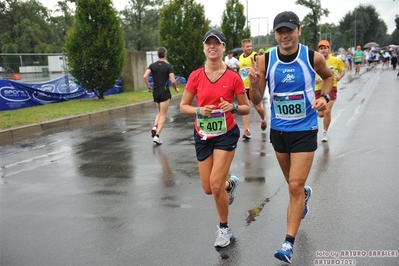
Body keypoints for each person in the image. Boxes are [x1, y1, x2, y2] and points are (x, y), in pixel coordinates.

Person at [247, 11, 333, 264]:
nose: (284, 35)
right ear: (275, 34)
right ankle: (303, 195)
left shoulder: (311, 57)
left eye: (289, 30)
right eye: (280, 31)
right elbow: (256, 100)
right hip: (279, 131)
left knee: (294, 186)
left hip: (305, 129)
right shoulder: (265, 60)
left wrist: (324, 97)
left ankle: (288, 243)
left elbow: (328, 77)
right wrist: (253, 84)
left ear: (299, 30)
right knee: (291, 184)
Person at [179, 29, 250, 248]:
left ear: (223, 48)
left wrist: (234, 107)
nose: (212, 46)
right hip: (202, 134)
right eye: (208, 43)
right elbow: (183, 106)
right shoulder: (196, 76)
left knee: (215, 184)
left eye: (216, 43)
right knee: (208, 188)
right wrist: (199, 110)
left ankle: (224, 228)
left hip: (226, 134)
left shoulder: (233, 76)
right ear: (204, 48)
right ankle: (230, 184)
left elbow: (246, 107)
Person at [143, 47, 179, 145]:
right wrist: (176, 89)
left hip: (156, 92)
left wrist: (149, 87)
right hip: (164, 92)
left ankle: (155, 126)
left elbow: (145, 76)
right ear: (165, 54)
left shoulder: (152, 65)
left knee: (160, 112)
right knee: (163, 114)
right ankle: (157, 136)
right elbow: (173, 80)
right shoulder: (168, 66)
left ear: (158, 54)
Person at [316, 40, 345, 142]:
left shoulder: (336, 60)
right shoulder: (315, 60)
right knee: (320, 113)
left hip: (331, 87)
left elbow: (342, 70)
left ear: (329, 49)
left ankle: (324, 133)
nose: (323, 50)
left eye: (325, 48)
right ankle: (323, 117)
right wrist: (314, 79)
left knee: (327, 110)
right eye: (321, 48)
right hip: (318, 88)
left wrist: (339, 77)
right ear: (318, 50)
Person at [239, 38, 267, 139]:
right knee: (245, 108)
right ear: (242, 47)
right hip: (243, 87)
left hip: (253, 86)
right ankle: (246, 130)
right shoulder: (241, 57)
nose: (249, 48)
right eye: (247, 46)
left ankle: (263, 119)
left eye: (250, 46)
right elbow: (241, 71)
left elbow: (261, 61)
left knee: (258, 107)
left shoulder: (255, 56)